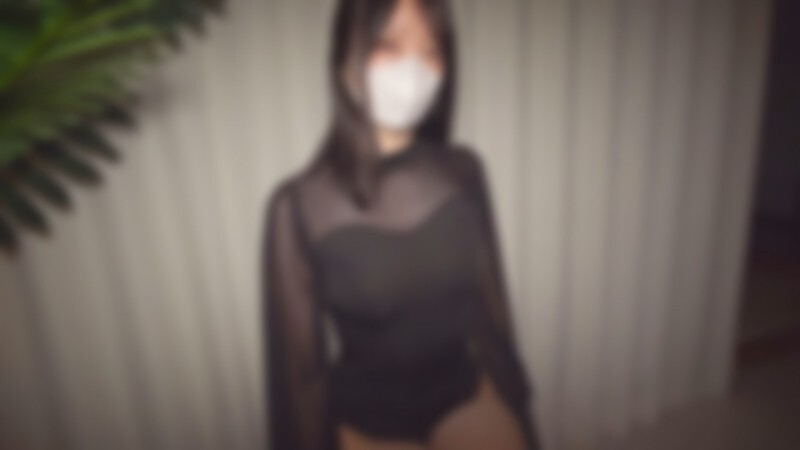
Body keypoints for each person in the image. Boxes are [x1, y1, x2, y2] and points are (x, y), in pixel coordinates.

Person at [260, 0, 540, 449]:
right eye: (389, 46)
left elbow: (492, 311)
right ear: (344, 62)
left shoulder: (464, 173)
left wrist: (515, 402)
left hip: (460, 392)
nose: (413, 68)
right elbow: (301, 375)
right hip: (369, 417)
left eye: (430, 52)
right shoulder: (298, 207)